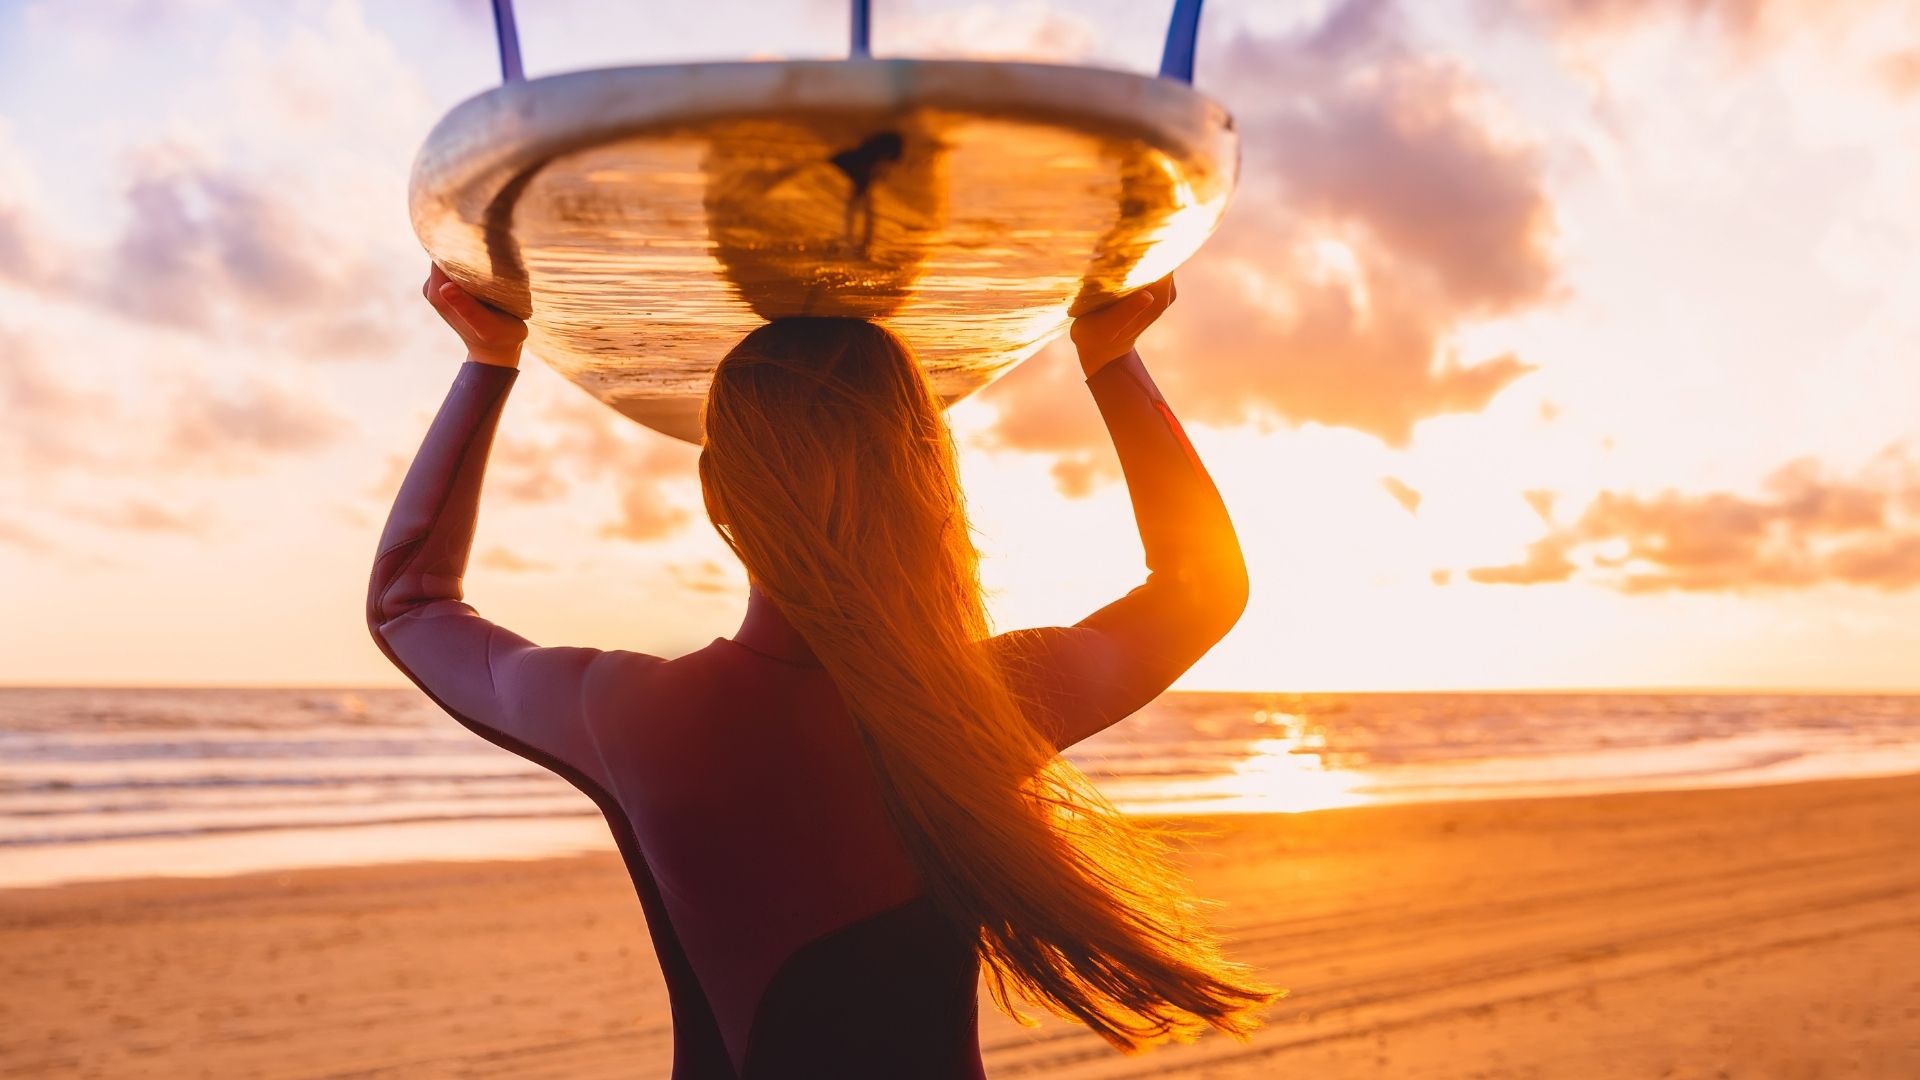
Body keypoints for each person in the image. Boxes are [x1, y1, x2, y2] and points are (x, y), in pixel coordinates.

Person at [368, 264, 1281, 1078]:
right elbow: (1200, 586)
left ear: (715, 491)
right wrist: (1111, 356)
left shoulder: (628, 715)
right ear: (930, 478)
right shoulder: (982, 704)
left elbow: (409, 604)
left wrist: (490, 359)